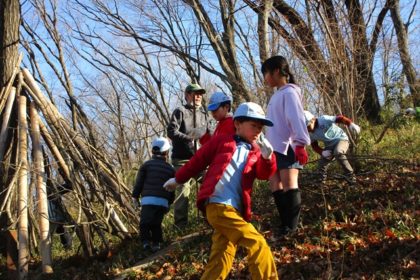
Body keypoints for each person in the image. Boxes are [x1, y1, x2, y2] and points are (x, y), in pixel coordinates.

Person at [164, 102, 279, 280]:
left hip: (235, 211)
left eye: (260, 127)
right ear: (238, 124)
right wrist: (179, 178)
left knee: (221, 255)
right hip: (218, 205)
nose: (258, 131)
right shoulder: (222, 141)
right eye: (254, 125)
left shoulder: (256, 152)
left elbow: (264, 174)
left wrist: (267, 157)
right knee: (257, 243)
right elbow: (198, 160)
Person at [261, 55, 311, 237]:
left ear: (276, 72)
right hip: (273, 148)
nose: (265, 78)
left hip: (287, 146)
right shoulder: (277, 94)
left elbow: (296, 119)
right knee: (275, 185)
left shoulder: (290, 92)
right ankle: (284, 225)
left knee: (290, 185)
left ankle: (292, 227)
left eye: (266, 73)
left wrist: (300, 144)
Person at [167, 83, 210, 228]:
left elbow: (210, 134)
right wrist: (188, 139)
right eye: (194, 93)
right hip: (182, 159)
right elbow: (171, 131)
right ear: (187, 95)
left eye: (200, 94)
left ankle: (209, 218)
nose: (198, 96)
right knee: (183, 190)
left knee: (210, 183)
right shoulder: (180, 111)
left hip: (200, 159)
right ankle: (181, 226)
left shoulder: (204, 113)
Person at [131, 137, 175, 252]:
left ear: (152, 151)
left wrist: (135, 196)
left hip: (148, 200)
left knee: (144, 222)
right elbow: (172, 187)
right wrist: (170, 202)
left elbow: (139, 182)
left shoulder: (146, 165)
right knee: (156, 223)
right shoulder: (170, 168)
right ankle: (156, 244)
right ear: (166, 152)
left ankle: (146, 243)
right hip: (163, 202)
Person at [304, 110, 361, 185]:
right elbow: (314, 145)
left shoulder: (323, 119)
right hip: (329, 146)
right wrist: (322, 152)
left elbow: (339, 118)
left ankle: (351, 177)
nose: (308, 129)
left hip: (341, 139)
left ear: (313, 120)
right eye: (305, 128)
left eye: (308, 126)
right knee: (322, 163)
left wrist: (350, 124)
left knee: (338, 152)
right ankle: (320, 183)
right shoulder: (310, 134)